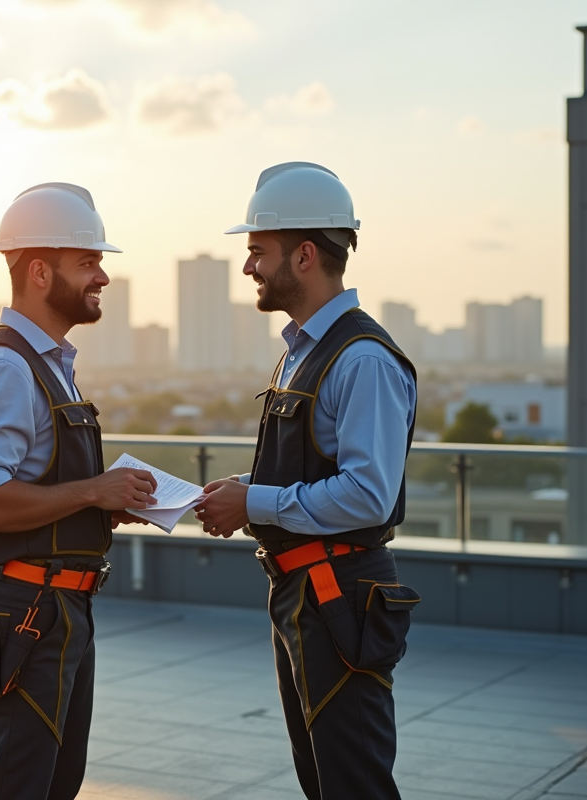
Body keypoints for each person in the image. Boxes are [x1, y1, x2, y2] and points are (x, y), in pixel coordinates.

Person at [194, 162, 421, 800]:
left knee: (354, 782)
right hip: (305, 592)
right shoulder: (304, 350)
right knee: (321, 778)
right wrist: (242, 490)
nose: (248, 269)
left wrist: (256, 500)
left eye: (256, 253)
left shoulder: (363, 359)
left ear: (303, 255)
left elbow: (367, 494)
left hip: (339, 595)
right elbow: (314, 464)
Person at [0, 182, 157, 800]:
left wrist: (105, 507)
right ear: (39, 270)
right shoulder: (5, 368)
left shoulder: (47, 364)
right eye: (87, 262)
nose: (103, 277)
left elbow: (41, 493)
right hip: (24, 614)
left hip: (58, 612)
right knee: (16, 786)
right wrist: (93, 491)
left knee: (53, 784)